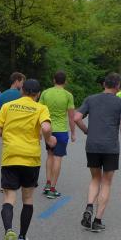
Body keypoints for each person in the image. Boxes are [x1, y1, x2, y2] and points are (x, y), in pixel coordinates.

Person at [0, 79, 55, 240]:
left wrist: (8, 135)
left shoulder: (8, 106)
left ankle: (8, 230)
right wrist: (49, 139)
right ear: (38, 94)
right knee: (27, 198)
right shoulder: (40, 108)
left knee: (9, 197)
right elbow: (46, 127)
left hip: (10, 156)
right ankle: (21, 238)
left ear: (22, 91)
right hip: (30, 158)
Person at [74, 72, 121, 233]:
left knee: (95, 179)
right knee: (106, 182)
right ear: (118, 86)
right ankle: (97, 221)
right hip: (110, 147)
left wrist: (86, 131)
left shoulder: (90, 99)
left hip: (92, 145)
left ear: (104, 84)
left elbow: (76, 117)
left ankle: (89, 206)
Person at [39, 71, 76, 199]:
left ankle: (48, 183)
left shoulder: (45, 93)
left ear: (54, 80)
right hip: (61, 130)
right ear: (65, 81)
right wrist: (73, 133)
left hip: (47, 129)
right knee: (58, 158)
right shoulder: (68, 95)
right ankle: (52, 189)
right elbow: (71, 117)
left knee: (50, 155)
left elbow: (39, 113)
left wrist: (39, 131)